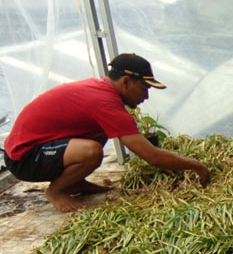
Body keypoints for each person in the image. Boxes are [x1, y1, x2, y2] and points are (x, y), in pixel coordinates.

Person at [2, 53, 211, 212]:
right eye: (144, 88)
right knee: (91, 151)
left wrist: (168, 163)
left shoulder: (102, 90)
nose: (146, 96)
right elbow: (151, 155)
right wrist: (196, 166)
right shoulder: (105, 102)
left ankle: (75, 182)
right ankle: (56, 191)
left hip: (40, 146)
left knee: (99, 133)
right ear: (126, 82)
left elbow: (145, 151)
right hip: (25, 158)